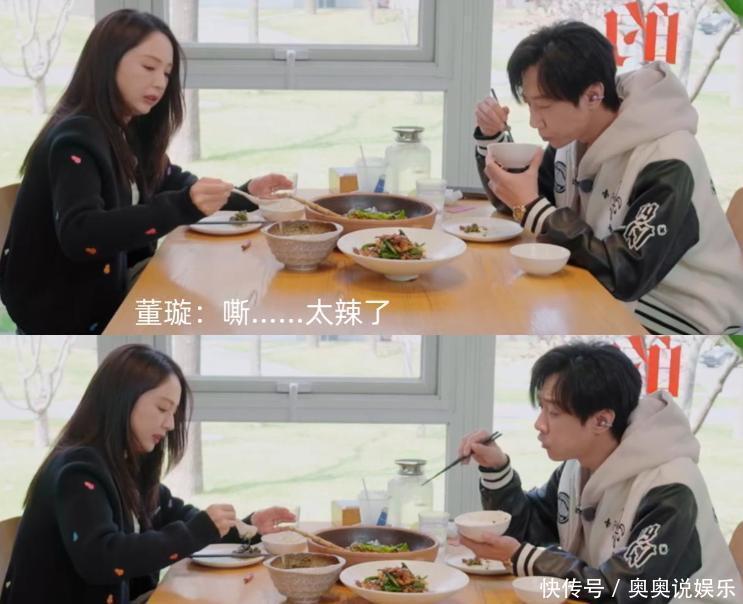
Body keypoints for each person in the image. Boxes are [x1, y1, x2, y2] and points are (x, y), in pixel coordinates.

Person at [0, 9, 292, 334]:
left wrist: (246, 193)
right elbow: (82, 236)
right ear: (108, 63)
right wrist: (184, 205)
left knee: (233, 291)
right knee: (228, 307)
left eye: (167, 73)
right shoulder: (76, 139)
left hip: (112, 289)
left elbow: (174, 183)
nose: (160, 82)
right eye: (149, 67)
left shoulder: (127, 130)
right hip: (72, 313)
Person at [473, 21, 743, 335]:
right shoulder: (572, 139)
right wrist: (491, 138)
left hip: (685, 318)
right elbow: (521, 205)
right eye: (530, 105)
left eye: (544, 106)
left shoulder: (669, 159)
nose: (535, 121)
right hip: (607, 294)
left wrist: (532, 208)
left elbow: (626, 273)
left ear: (593, 95)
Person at [0, 344, 295, 604]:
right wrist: (197, 531)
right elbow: (102, 558)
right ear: (122, 399)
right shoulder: (78, 472)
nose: (170, 424)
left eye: (173, 413)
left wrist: (246, 528)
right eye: (163, 409)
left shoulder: (126, 465)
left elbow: (179, 516)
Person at [458, 342, 741, 603]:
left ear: (602, 420)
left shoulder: (670, 488)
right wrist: (496, 469)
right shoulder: (577, 467)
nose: (539, 424)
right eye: (541, 408)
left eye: (553, 412)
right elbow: (530, 529)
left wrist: (522, 556)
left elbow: (624, 591)